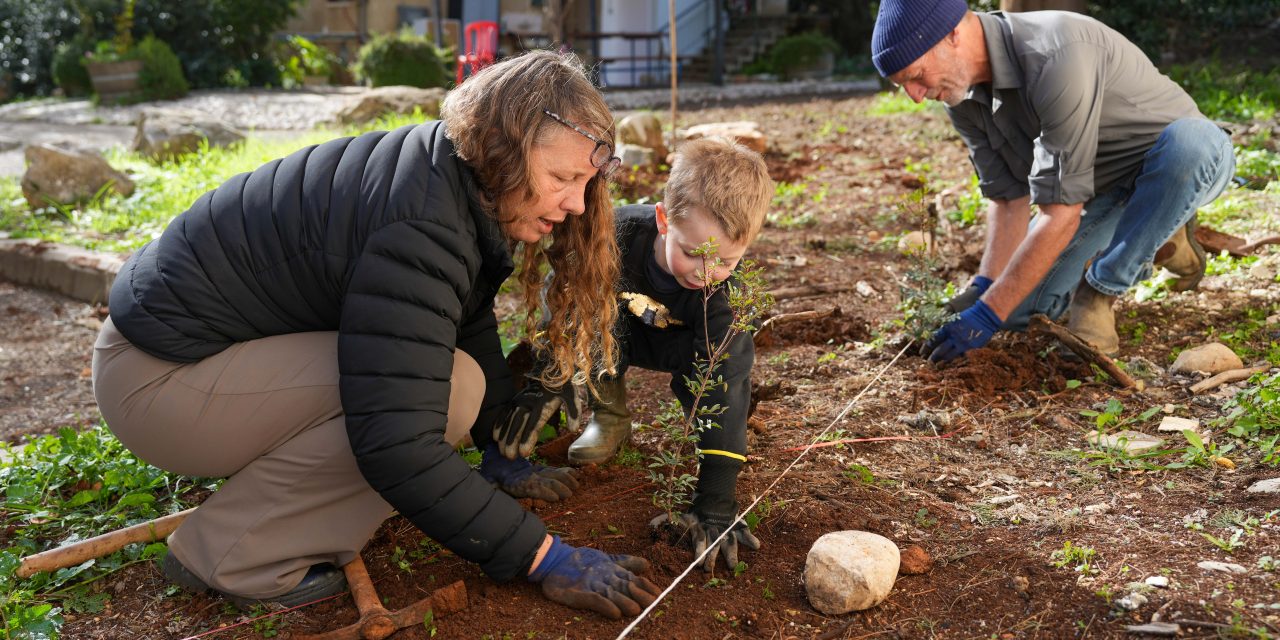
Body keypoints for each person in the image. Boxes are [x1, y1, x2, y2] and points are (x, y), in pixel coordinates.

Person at [91, 50, 661, 620]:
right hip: (158, 383)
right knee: (441, 395)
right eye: (563, 178)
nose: (577, 203)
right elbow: (396, 443)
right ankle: (234, 556)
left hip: (190, 359)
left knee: (449, 382)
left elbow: (462, 315)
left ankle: (267, 502)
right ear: (502, 148)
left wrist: (498, 445)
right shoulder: (420, 223)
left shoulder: (449, 176)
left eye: (586, 182)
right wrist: (543, 557)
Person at [870, 0, 1236, 361]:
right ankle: (1158, 231)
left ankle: (1101, 291)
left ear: (952, 34)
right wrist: (984, 290)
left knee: (1189, 144)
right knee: (1014, 312)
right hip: (1106, 190)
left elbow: (1061, 212)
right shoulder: (961, 97)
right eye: (903, 85)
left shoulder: (1056, 52)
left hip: (1187, 162)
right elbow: (1008, 198)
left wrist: (986, 314)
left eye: (916, 76)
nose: (916, 96)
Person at [487, 138, 775, 571]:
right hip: (625, 327)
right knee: (594, 319)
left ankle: (705, 452)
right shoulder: (617, 235)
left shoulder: (724, 298)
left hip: (689, 351)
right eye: (693, 253)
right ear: (663, 220)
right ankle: (611, 416)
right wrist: (550, 374)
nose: (707, 273)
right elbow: (564, 295)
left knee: (715, 381)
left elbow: (727, 386)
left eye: (726, 262)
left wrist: (717, 494)